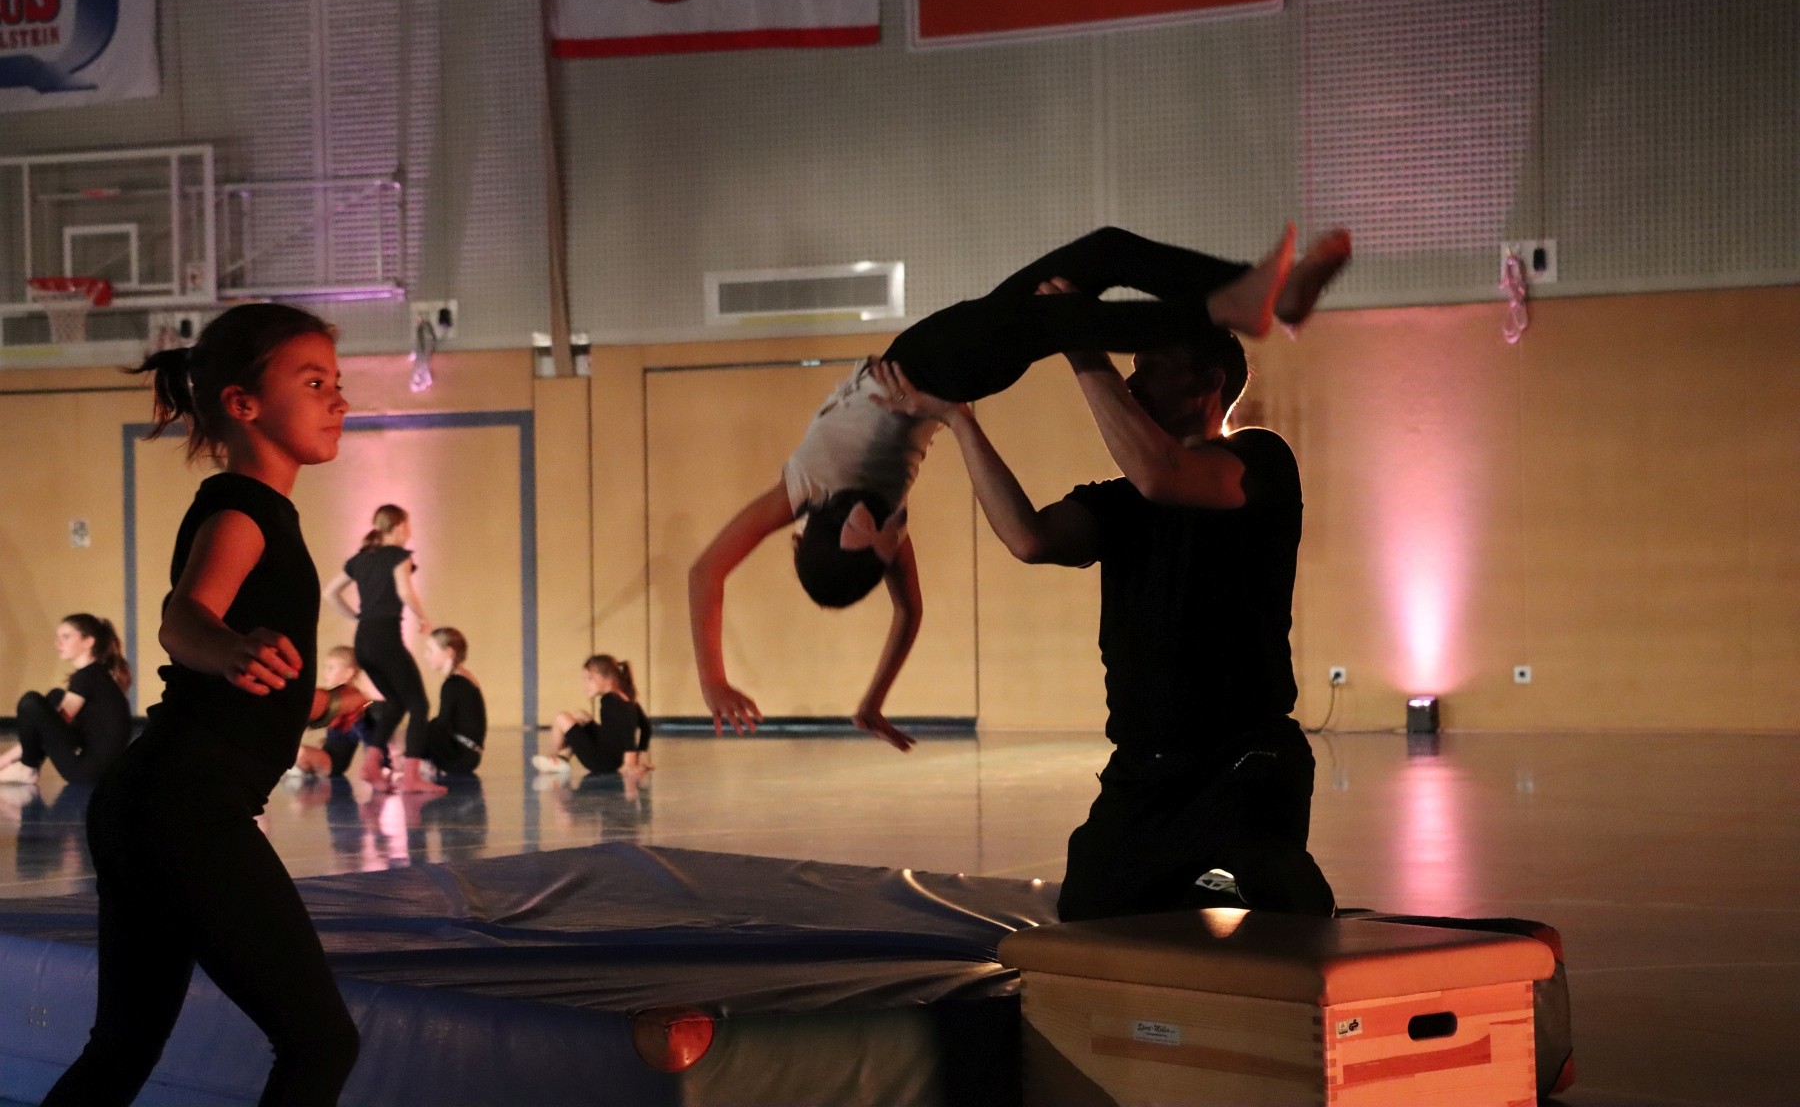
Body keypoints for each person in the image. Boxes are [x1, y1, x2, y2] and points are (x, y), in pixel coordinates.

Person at [689, 224, 1351, 747]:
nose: (891, 527)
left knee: (1102, 253)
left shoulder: (801, 489)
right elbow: (910, 612)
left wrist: (714, 681)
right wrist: (874, 697)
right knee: (1063, 315)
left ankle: (1256, 293)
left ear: (828, 527)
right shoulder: (886, 527)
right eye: (889, 537)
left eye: (870, 527)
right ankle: (1231, 305)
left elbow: (706, 571)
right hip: (944, 369)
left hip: (932, 355)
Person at [871, 282, 1340, 923]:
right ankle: (1205, 884)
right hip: (1145, 770)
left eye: (1152, 367)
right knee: (1090, 916)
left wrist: (1079, 342)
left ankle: (1244, 882)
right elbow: (1029, 537)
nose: (1133, 383)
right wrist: (960, 421)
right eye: (1130, 367)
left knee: (1279, 896)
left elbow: (1164, 474)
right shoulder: (1122, 500)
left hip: (1245, 757)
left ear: (1209, 381)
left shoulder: (1259, 459)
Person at [43, 303, 360, 1105]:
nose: (339, 398)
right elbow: (184, 620)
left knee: (121, 1051)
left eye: (337, 381)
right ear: (242, 403)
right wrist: (228, 649)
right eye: (314, 382)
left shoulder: (265, 512)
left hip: (150, 804)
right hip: (185, 807)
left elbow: (245, 679)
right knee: (320, 1042)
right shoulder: (241, 511)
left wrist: (323, 701)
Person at [323, 504, 443, 795]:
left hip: (363, 641)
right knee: (419, 705)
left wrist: (356, 616)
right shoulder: (399, 556)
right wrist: (423, 618)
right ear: (400, 526)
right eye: (408, 526)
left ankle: (371, 766)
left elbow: (329, 593)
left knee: (396, 703)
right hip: (386, 639)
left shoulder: (361, 559)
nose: (409, 532)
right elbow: (404, 591)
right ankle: (411, 776)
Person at [0, 614, 133, 786]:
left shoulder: (86, 677)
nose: (58, 643)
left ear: (88, 642)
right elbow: (56, 725)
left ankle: (27, 767)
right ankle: (28, 766)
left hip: (87, 771)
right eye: (58, 637)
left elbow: (54, 726)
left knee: (30, 702)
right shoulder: (96, 673)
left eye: (66, 637)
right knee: (55, 696)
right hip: (98, 770)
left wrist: (5, 760)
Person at [533, 655, 651, 780]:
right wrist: (641, 755)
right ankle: (563, 757)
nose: (586, 684)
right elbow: (646, 727)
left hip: (601, 761)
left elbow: (626, 729)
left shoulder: (609, 700)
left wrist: (630, 762)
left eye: (590, 679)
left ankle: (554, 759)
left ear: (609, 679)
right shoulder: (628, 699)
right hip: (613, 759)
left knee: (561, 718)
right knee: (581, 716)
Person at [290, 646, 380, 780]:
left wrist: (375, 765)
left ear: (348, 673)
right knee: (293, 750)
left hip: (334, 763)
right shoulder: (339, 702)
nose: (325, 673)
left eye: (331, 668)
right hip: (328, 756)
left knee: (296, 751)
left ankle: (299, 769)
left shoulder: (356, 705)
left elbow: (368, 736)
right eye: (326, 667)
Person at [420, 626, 485, 778]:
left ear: (449, 652)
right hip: (471, 754)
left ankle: (413, 766)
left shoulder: (453, 684)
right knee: (426, 727)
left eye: (430, 650)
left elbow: (442, 725)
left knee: (420, 729)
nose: (426, 656)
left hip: (460, 757)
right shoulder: (464, 678)